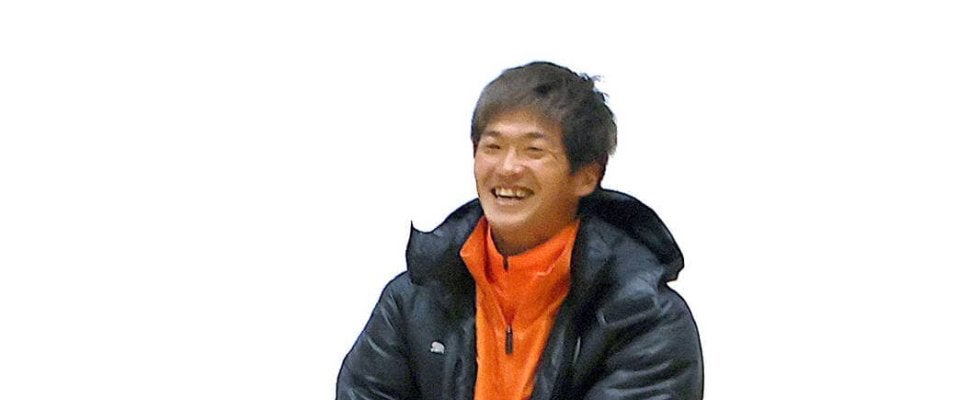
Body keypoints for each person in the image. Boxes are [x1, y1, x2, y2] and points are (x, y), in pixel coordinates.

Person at [337, 61, 703, 400]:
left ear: (587, 176)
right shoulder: (415, 299)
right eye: (493, 147)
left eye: (533, 150)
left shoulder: (642, 316)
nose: (507, 167)